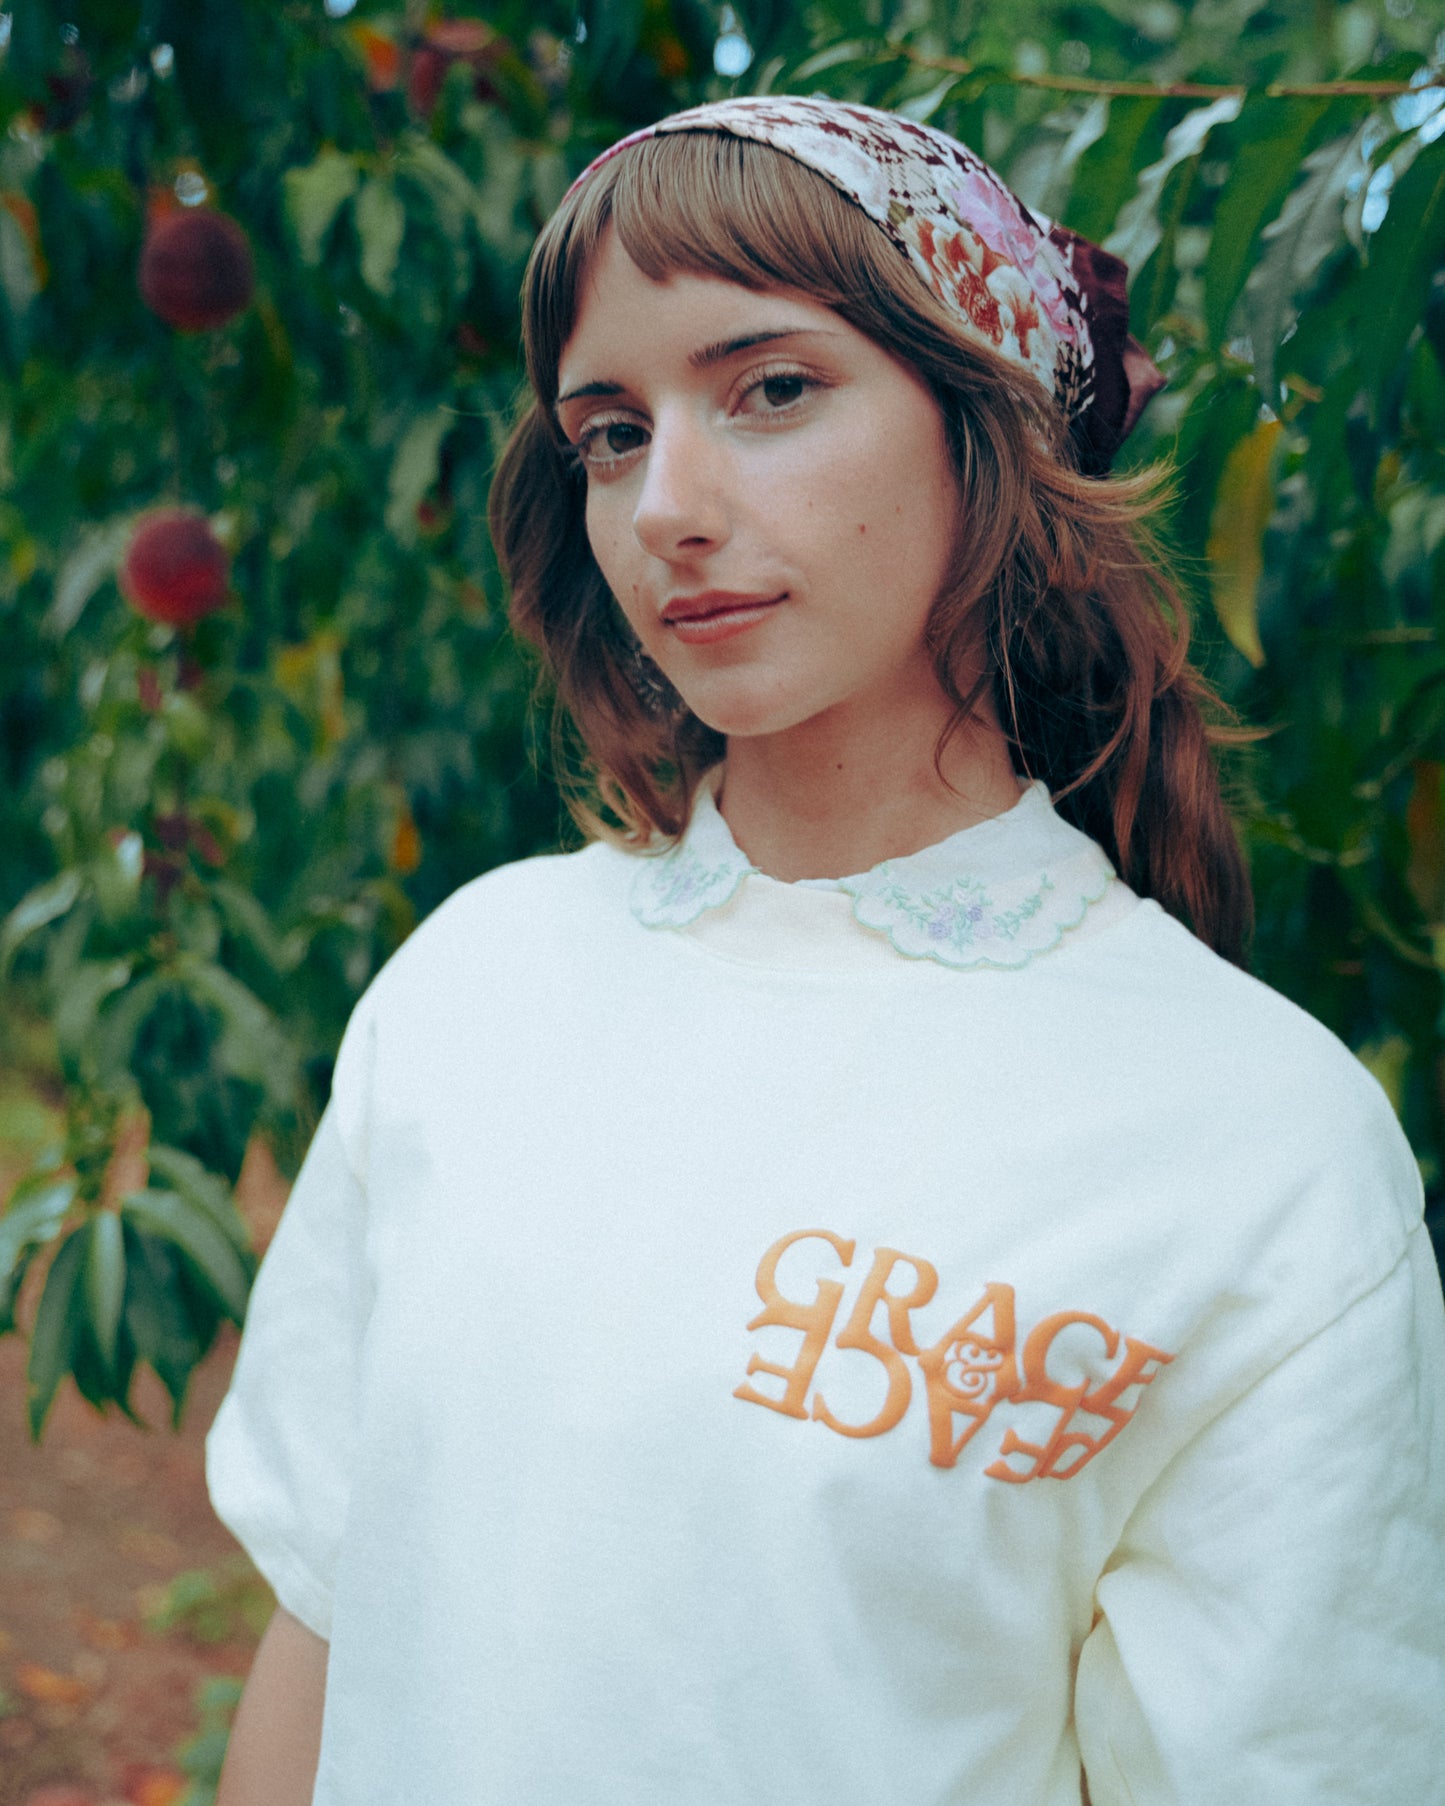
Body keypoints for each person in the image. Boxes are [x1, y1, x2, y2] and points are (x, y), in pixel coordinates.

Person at [207, 97, 1445, 1805]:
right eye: (609, 432)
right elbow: (324, 1629)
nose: (664, 507)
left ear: (983, 425)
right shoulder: (471, 987)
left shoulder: (1261, 1152)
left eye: (769, 389)